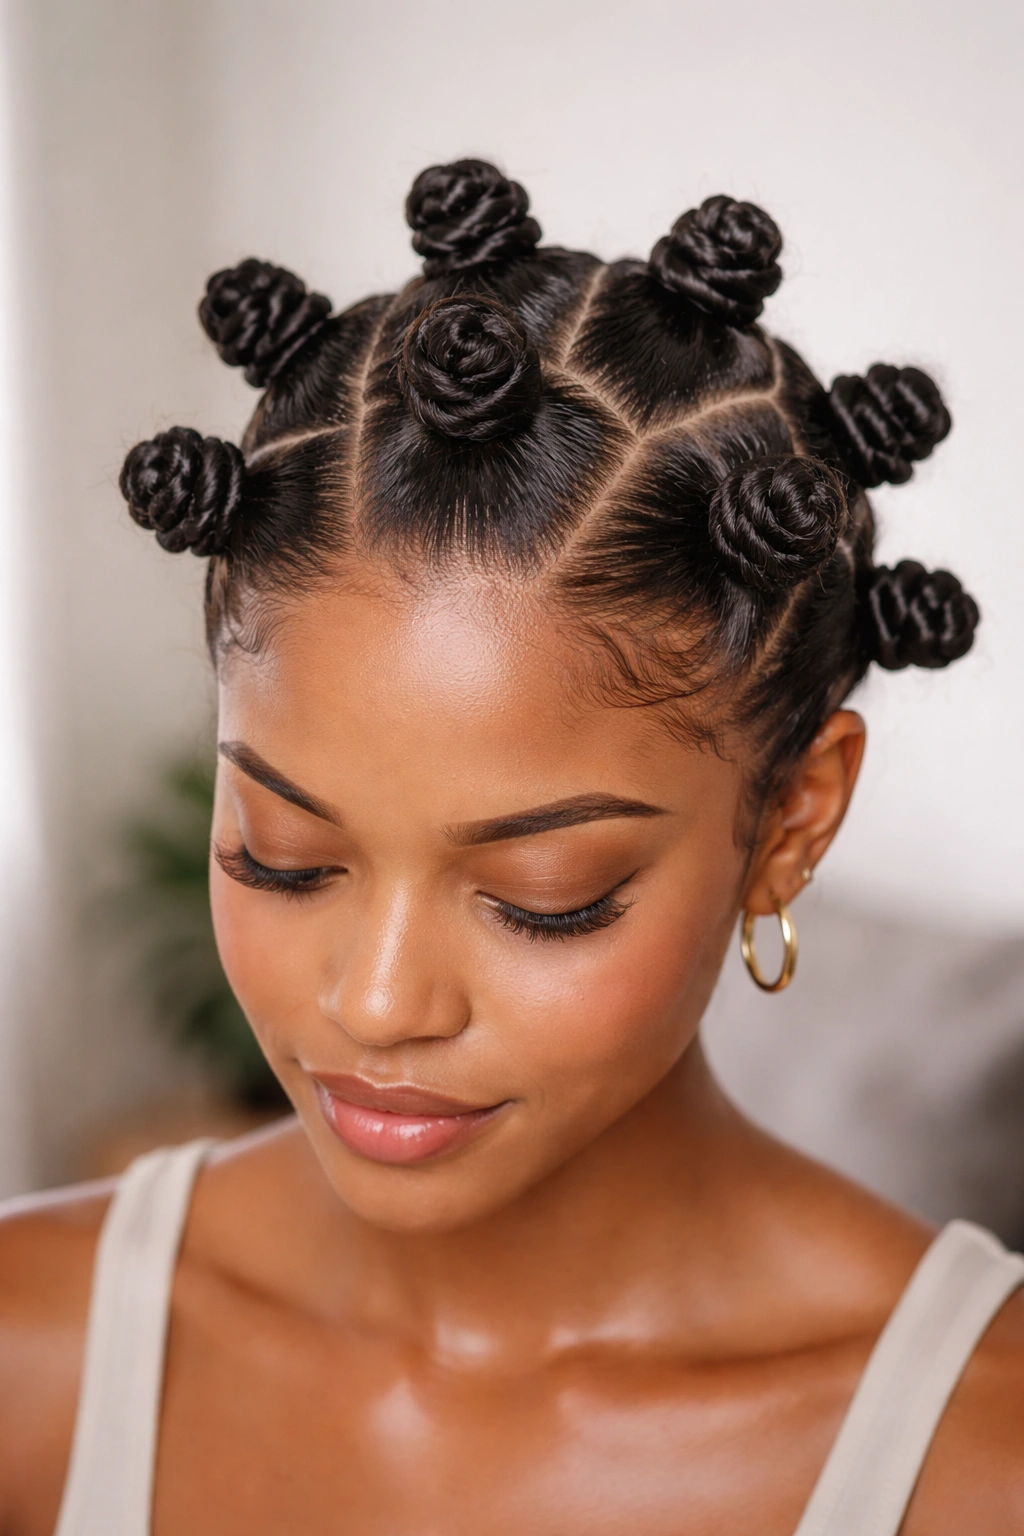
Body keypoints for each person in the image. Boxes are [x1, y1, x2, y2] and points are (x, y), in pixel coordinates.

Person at [0, 159, 1020, 1536]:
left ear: (792, 821)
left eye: (546, 898)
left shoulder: (981, 1457)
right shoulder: (33, 1354)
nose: (374, 1004)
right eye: (284, 854)